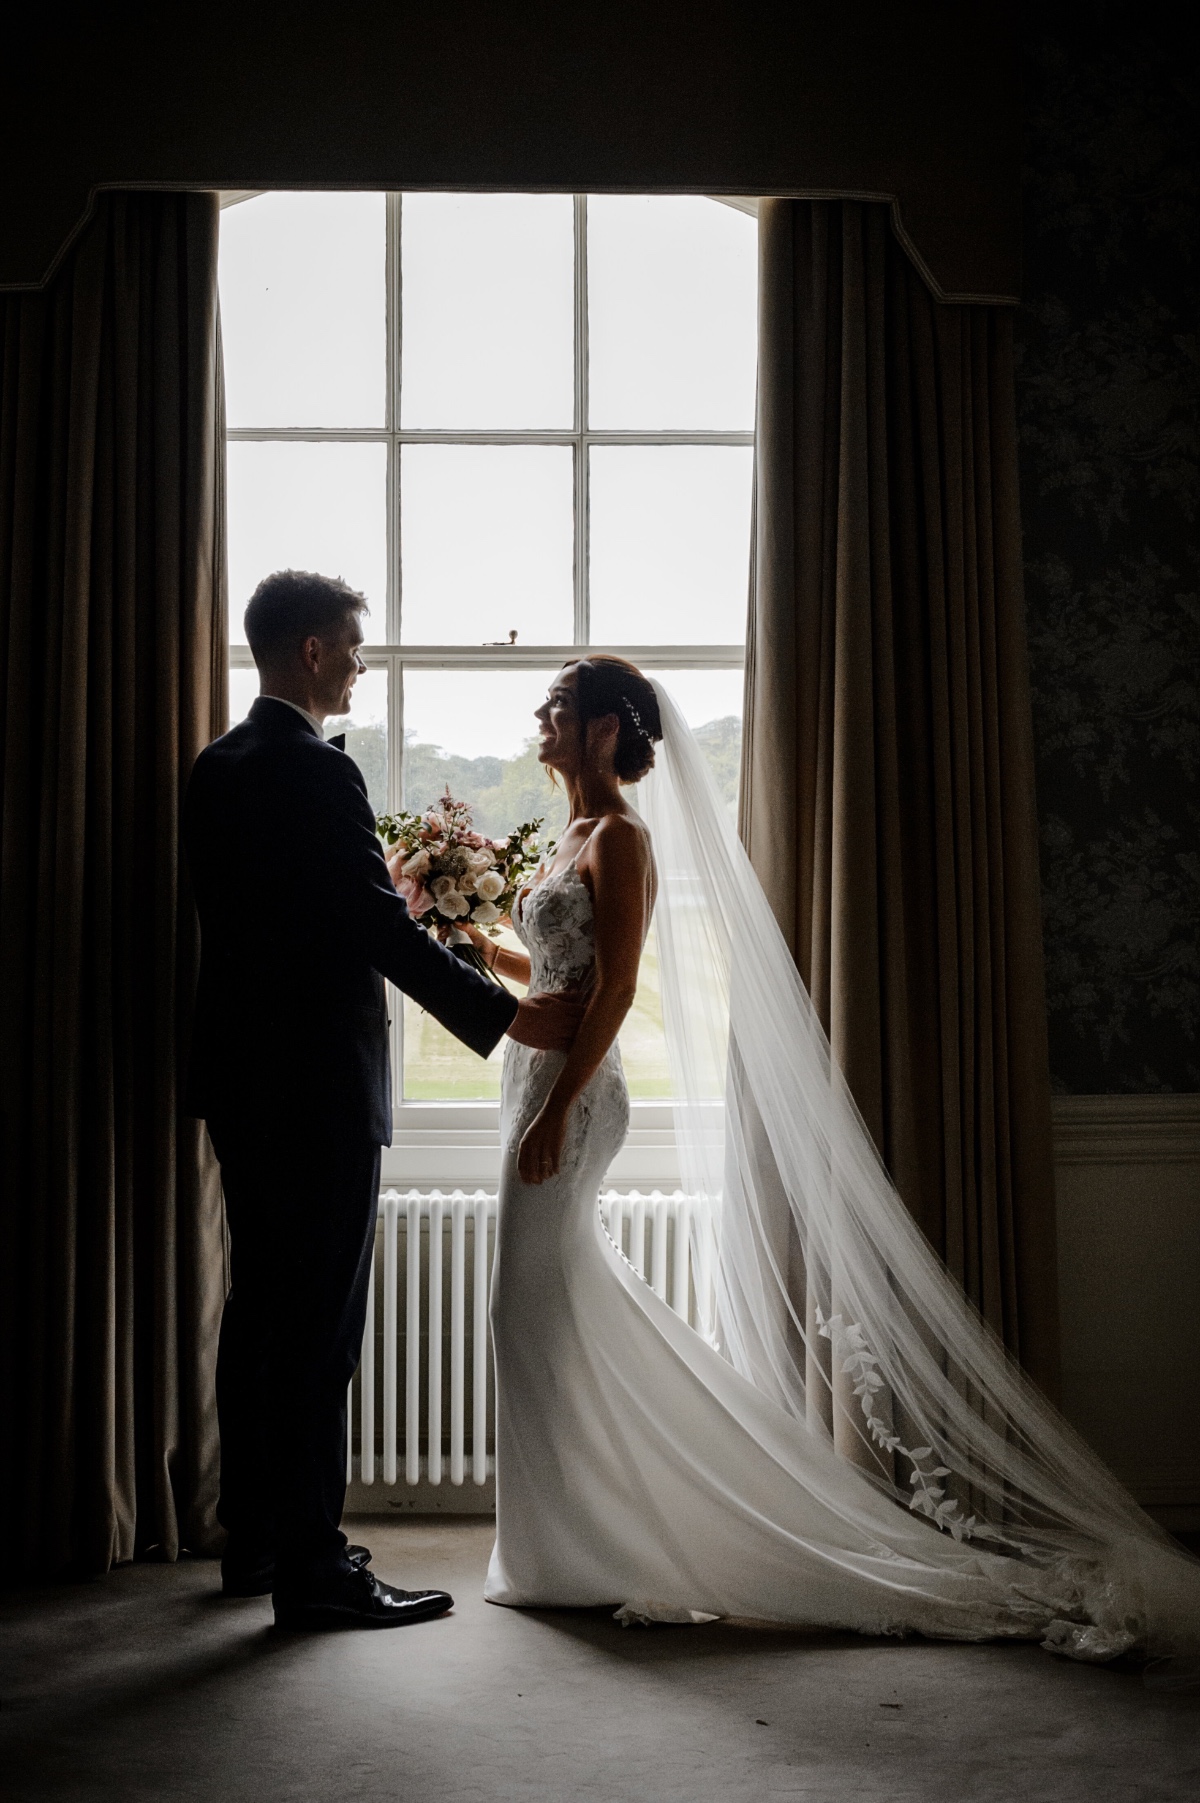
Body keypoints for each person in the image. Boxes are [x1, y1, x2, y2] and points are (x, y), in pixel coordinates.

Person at [454, 655, 1200, 1661]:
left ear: (600, 732)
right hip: (534, 1086)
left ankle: (583, 1543)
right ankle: (575, 1538)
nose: (541, 719)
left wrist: (559, 1112)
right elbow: (547, 972)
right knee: (551, 1307)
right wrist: (459, 935)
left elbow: (617, 993)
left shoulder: (624, 839)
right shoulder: (570, 839)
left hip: (573, 1101)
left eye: (558, 707)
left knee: (527, 1304)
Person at [183, 569, 581, 1631]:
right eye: (355, 648)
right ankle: (315, 1571)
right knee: (318, 1330)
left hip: (239, 1083)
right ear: (312, 651)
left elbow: (276, 921)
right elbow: (373, 932)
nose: (364, 666)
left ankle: (257, 1541)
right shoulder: (312, 772)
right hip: (317, 1087)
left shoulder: (215, 767)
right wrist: (507, 1019)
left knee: (259, 1314)